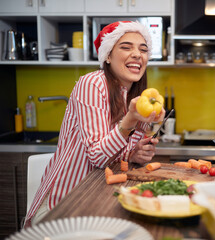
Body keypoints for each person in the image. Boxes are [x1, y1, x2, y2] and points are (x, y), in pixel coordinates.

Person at [24, 21, 165, 227]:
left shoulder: (137, 97)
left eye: (143, 50)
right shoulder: (92, 84)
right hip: (63, 206)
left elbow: (116, 157)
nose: (137, 54)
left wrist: (134, 154)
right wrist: (131, 119)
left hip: (99, 200)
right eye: (126, 47)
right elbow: (98, 157)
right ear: (107, 56)